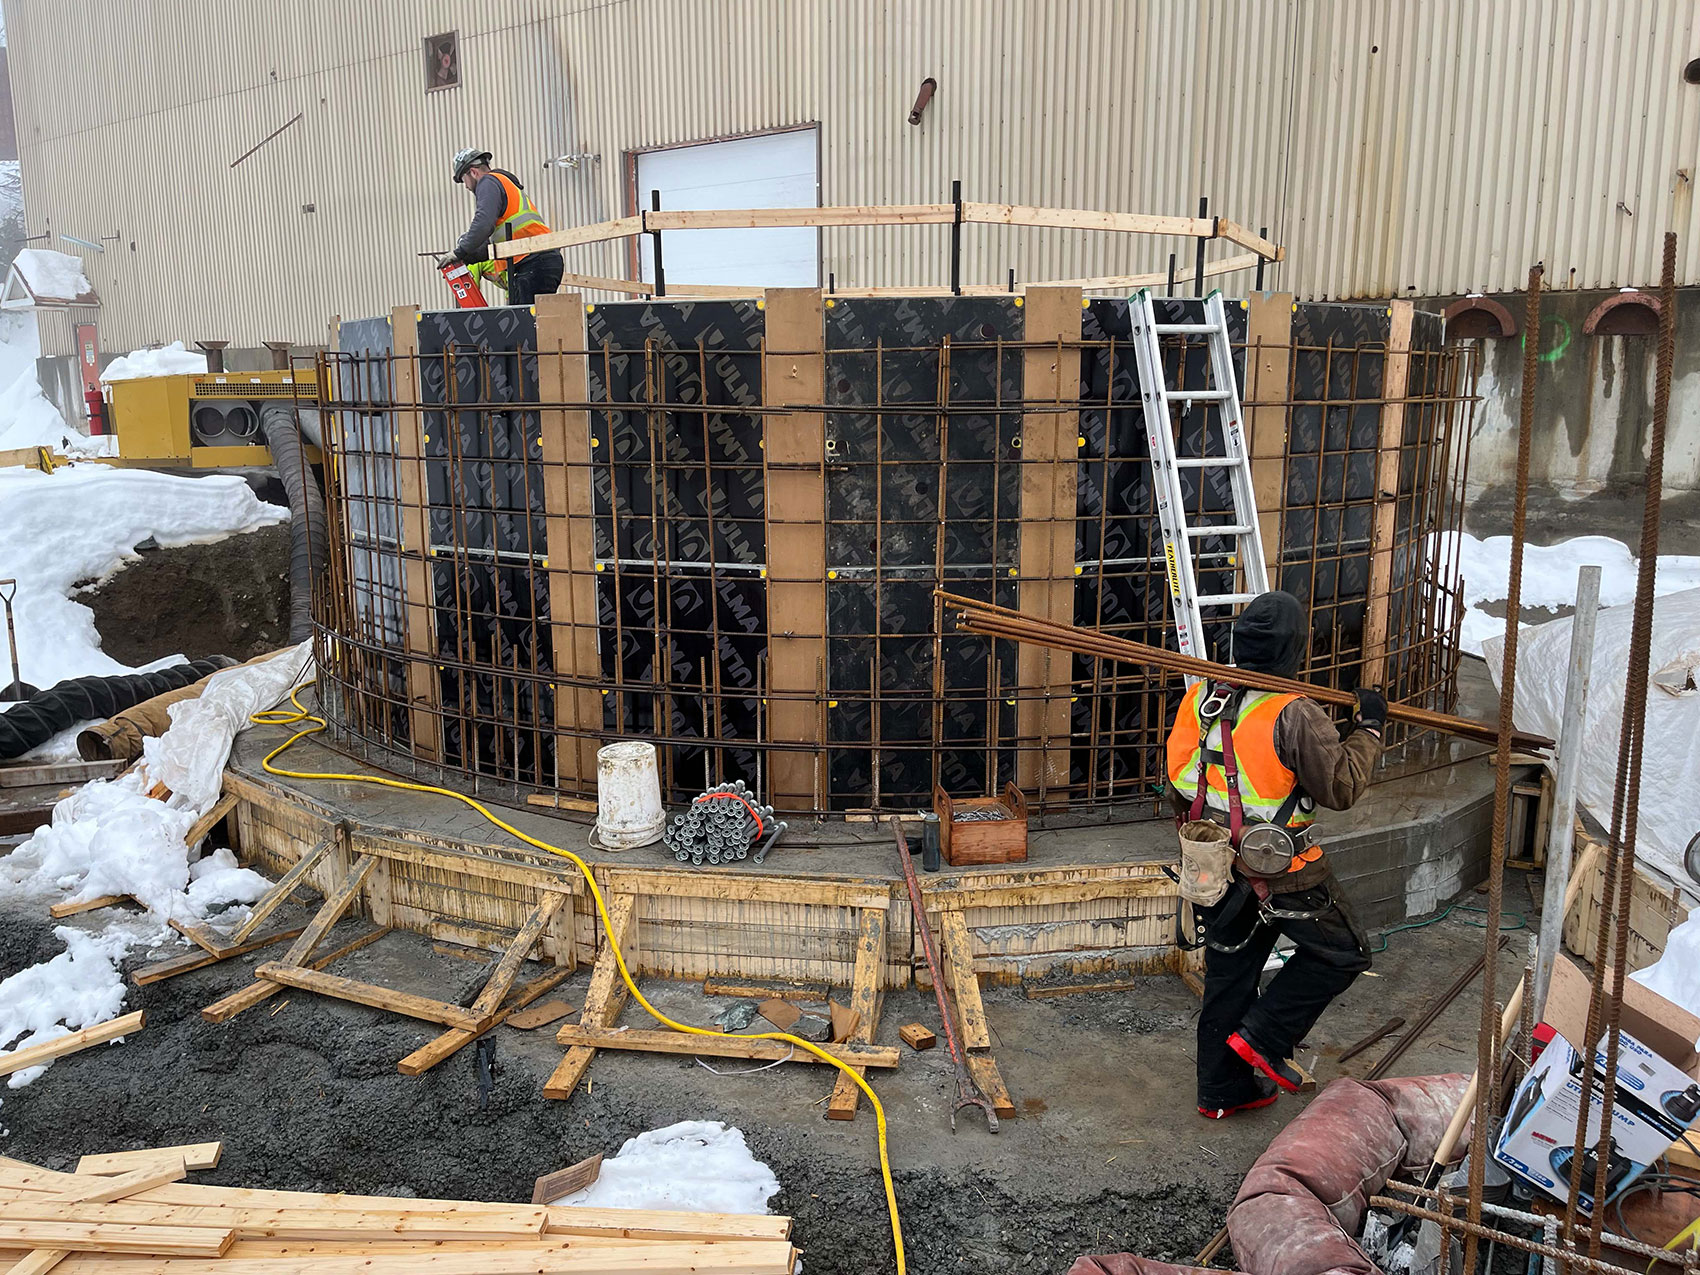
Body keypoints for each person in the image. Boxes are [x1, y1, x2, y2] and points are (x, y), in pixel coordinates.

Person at [1165, 590, 1385, 1120]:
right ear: (1296, 650)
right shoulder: (1295, 712)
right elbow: (1340, 787)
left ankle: (1222, 1092)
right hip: (1281, 870)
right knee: (1343, 953)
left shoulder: (1203, 699)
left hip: (1215, 865)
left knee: (1230, 975)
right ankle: (1264, 1039)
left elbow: (1175, 778)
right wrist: (1370, 729)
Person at [438, 148, 564, 306]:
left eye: (464, 180)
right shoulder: (502, 186)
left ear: (473, 172)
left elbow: (483, 223)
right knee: (533, 323)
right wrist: (465, 257)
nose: (466, 187)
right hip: (541, 261)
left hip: (534, 263)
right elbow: (491, 243)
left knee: (526, 324)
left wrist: (459, 251)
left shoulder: (488, 182)